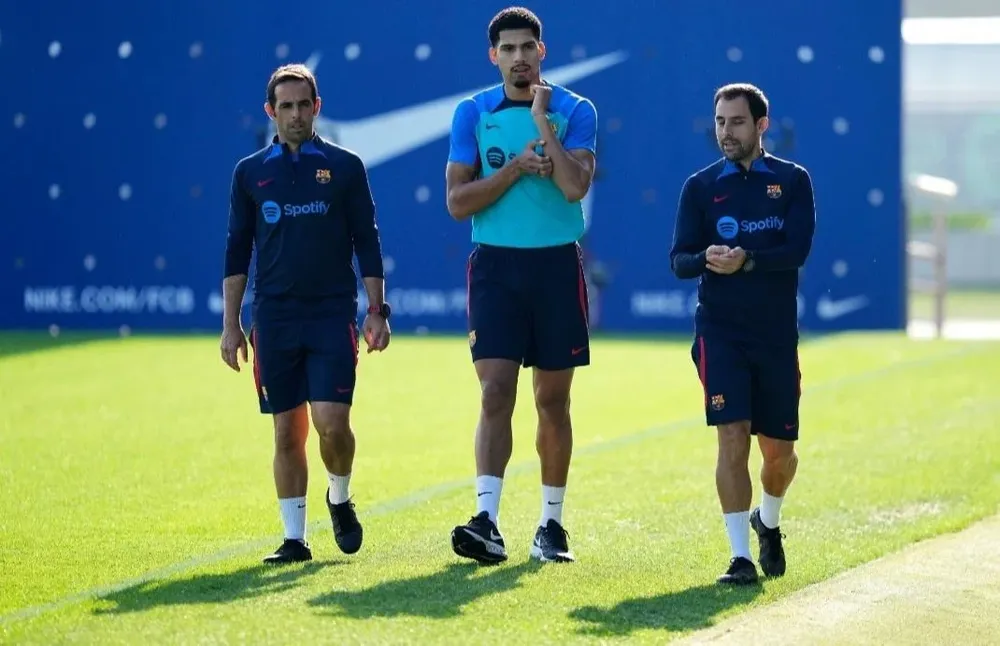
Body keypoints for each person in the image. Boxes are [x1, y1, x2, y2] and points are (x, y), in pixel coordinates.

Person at [220, 63, 391, 564]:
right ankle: (295, 539)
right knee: (284, 431)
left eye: (304, 105)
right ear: (270, 112)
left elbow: (368, 242)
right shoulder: (250, 173)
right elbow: (237, 251)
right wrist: (231, 324)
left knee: (332, 425)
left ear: (317, 107)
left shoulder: (345, 167)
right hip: (273, 318)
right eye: (285, 106)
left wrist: (377, 310)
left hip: (331, 314)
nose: (295, 115)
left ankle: (338, 498)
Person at [444, 6, 598, 565]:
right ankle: (486, 519)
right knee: (494, 394)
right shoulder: (472, 113)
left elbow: (573, 186)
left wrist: (541, 121)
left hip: (556, 267)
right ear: (493, 56)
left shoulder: (576, 110)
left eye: (527, 47)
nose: (518, 58)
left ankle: (550, 526)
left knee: (552, 401)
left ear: (542, 51)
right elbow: (458, 203)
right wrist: (512, 170)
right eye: (507, 49)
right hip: (496, 270)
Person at [668, 83, 816, 585]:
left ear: (760, 126)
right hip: (719, 332)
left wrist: (747, 259)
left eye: (735, 122)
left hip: (775, 337)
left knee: (779, 453)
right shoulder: (699, 186)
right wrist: (705, 258)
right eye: (719, 123)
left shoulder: (794, 181)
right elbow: (679, 260)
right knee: (731, 437)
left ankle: (767, 521)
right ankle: (738, 558)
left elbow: (796, 251)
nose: (726, 132)